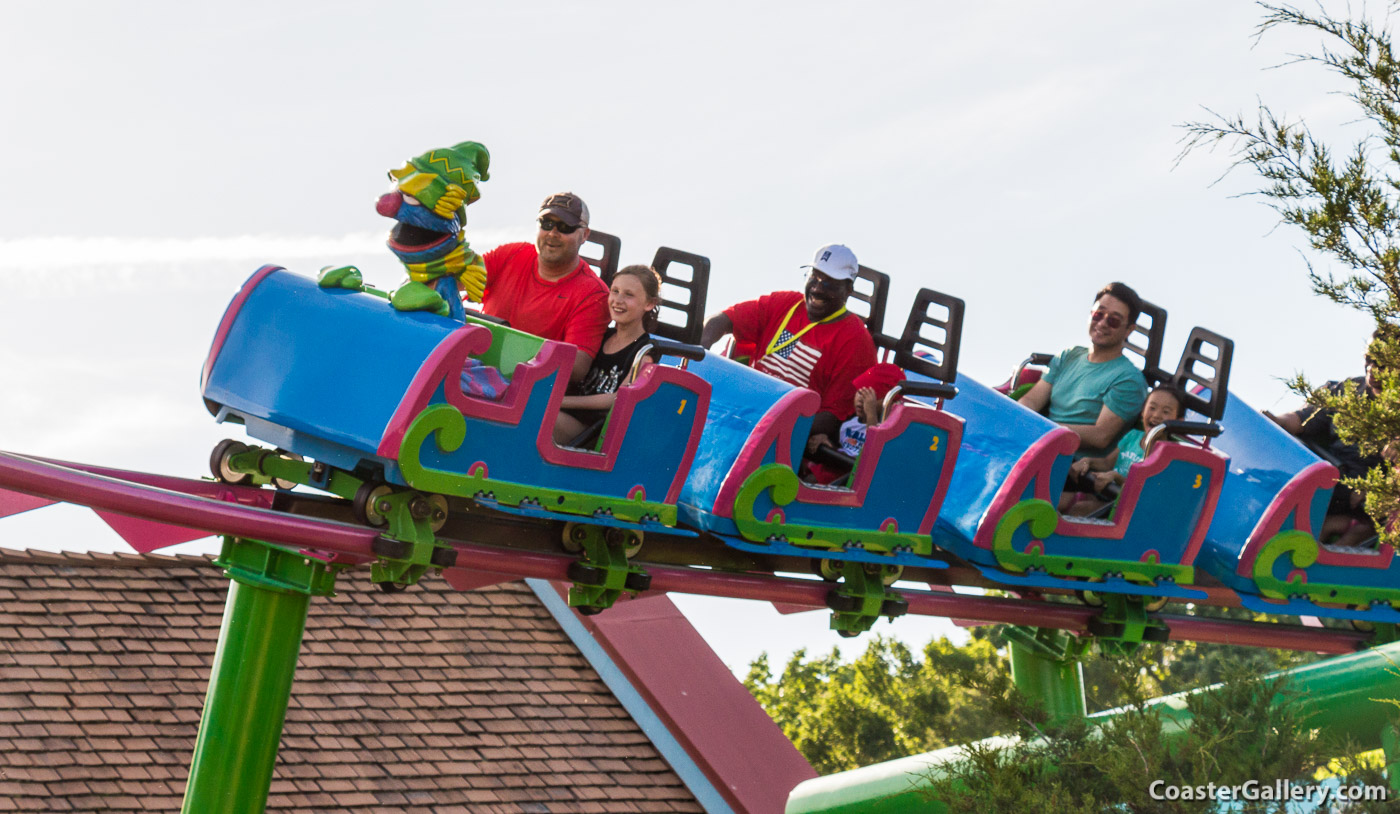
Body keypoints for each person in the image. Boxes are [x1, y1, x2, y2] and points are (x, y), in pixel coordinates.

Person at [700, 244, 878, 452]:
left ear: (848, 290)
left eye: (829, 283)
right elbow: (722, 319)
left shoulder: (856, 341)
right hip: (741, 412)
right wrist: (700, 350)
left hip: (783, 437)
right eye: (814, 277)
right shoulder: (786, 303)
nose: (817, 288)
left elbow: (835, 418)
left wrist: (771, 424)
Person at [478, 192, 610, 381]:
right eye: (546, 224)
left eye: (565, 227)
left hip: (522, 388)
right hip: (471, 367)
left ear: (584, 235)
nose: (553, 233)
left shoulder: (593, 294)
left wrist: (512, 358)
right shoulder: (510, 254)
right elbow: (452, 279)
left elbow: (577, 366)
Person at [1264, 345, 1383, 547]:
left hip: (1365, 492)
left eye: (1381, 363)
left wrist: (1376, 487)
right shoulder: (1348, 390)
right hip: (1331, 477)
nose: (1371, 368)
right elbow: (1299, 420)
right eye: (1369, 359)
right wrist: (1273, 420)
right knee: (1273, 480)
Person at [1017, 282, 1149, 457]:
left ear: (1129, 330)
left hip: (1069, 465)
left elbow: (1100, 435)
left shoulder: (1129, 379)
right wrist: (1018, 419)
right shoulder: (1068, 355)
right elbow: (1031, 400)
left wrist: (1045, 430)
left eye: (1114, 321)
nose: (1102, 323)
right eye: (1098, 314)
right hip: (1034, 445)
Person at [552, 265, 662, 445]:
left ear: (649, 304)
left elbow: (619, 398)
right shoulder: (600, 335)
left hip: (591, 430)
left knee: (537, 418)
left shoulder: (645, 352)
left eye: (629, 295)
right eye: (615, 291)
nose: (618, 300)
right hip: (566, 410)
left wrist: (561, 401)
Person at [1063, 384, 1186, 515]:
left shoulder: (1168, 454)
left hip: (1125, 510)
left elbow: (1146, 491)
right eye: (1152, 408)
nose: (1156, 415)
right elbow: (1107, 463)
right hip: (1103, 494)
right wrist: (1088, 461)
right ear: (1142, 412)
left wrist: (1117, 478)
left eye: (1166, 412)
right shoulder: (1133, 436)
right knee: (1063, 498)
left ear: (1179, 422)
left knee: (1079, 509)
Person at [806, 362, 904, 485]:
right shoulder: (851, 420)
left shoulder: (887, 428)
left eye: (869, 397)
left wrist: (871, 414)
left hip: (854, 479)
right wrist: (825, 439)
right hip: (836, 466)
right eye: (859, 392)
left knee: (811, 482)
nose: (860, 400)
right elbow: (842, 444)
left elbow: (873, 450)